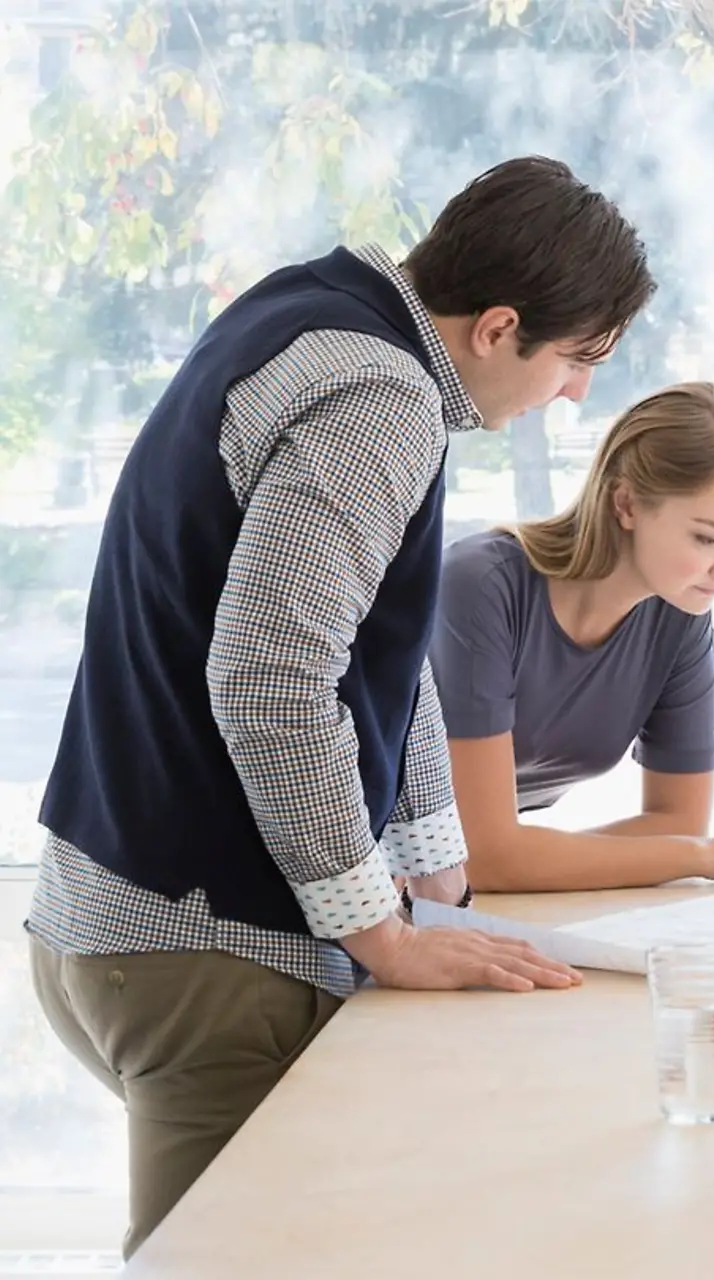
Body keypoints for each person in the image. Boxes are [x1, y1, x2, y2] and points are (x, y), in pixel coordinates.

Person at [25, 155, 655, 1257]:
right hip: (206, 954)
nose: (575, 394)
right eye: (573, 360)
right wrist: (380, 930)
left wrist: (433, 868)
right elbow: (271, 674)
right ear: (500, 326)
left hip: (116, 916)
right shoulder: (383, 399)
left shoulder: (307, 311)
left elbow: (378, 645)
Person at [429, 381, 714, 892]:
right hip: (336, 878)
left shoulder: (679, 615)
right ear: (626, 504)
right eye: (708, 538)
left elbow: (677, 823)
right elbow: (484, 856)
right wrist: (703, 855)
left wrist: (530, 856)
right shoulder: (480, 587)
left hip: (437, 888)